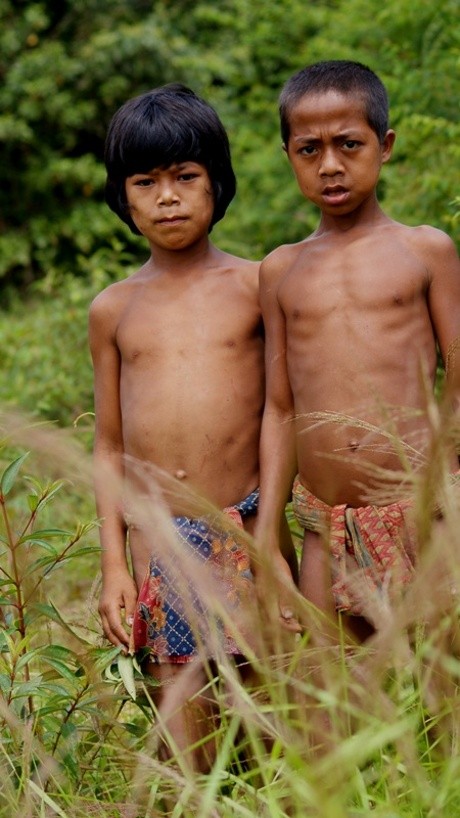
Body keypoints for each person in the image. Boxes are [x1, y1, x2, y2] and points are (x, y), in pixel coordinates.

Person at [88, 83, 297, 770]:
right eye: (145, 182)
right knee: (186, 749)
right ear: (123, 197)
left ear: (216, 183)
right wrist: (114, 565)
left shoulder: (257, 286)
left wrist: (270, 540)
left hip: (248, 530)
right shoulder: (114, 309)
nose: (167, 198)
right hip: (158, 546)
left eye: (184, 177)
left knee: (269, 734)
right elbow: (109, 445)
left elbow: (284, 411)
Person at [256, 60, 460, 643]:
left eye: (349, 144)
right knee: (331, 686)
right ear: (289, 156)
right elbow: (280, 407)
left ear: (384, 145)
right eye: (309, 150)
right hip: (328, 524)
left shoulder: (425, 251)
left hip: (425, 510)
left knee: (439, 681)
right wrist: (267, 533)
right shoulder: (281, 271)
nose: (330, 165)